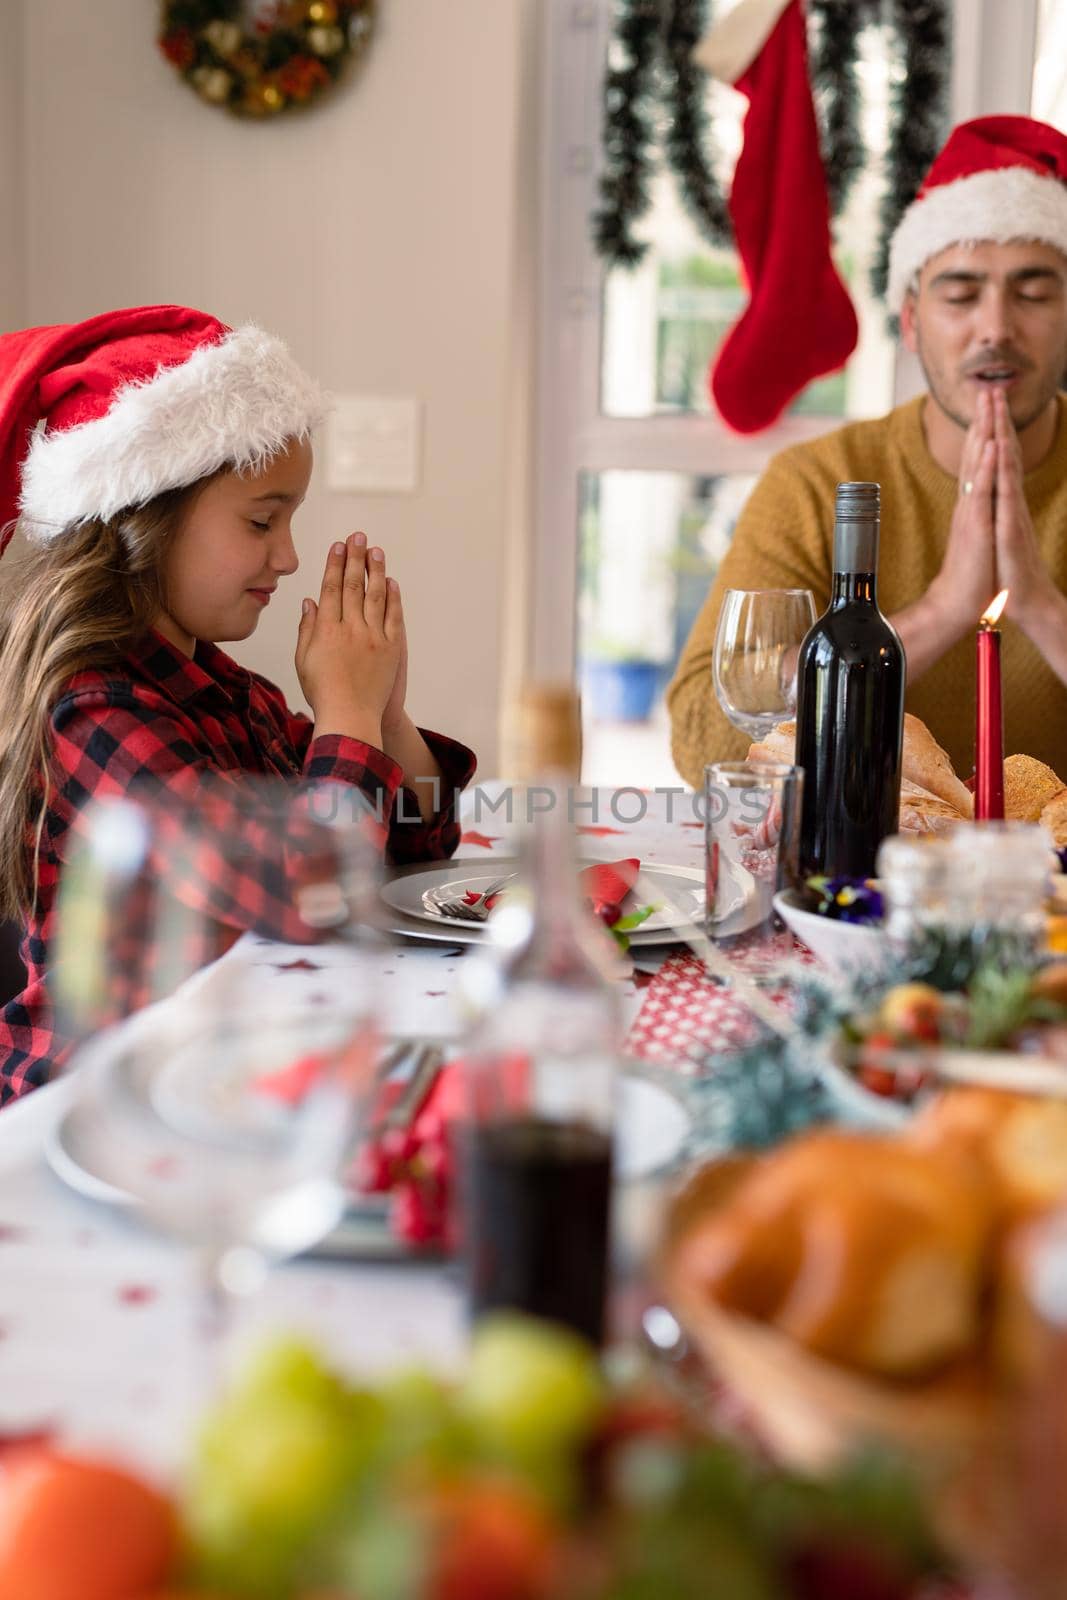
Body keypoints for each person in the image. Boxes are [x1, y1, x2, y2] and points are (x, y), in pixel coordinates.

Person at [0, 305, 476, 1103]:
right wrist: (346, 721)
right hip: (92, 1109)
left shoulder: (232, 694)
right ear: (141, 519)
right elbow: (308, 900)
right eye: (262, 519)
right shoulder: (91, 714)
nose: (287, 556)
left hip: (221, 1077)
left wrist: (383, 716)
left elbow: (417, 846)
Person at [668, 114, 1067, 788]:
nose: (995, 328)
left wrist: (1036, 605)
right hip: (851, 876)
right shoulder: (818, 482)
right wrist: (940, 611)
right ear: (910, 321)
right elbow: (703, 741)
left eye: (1032, 293)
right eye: (960, 294)